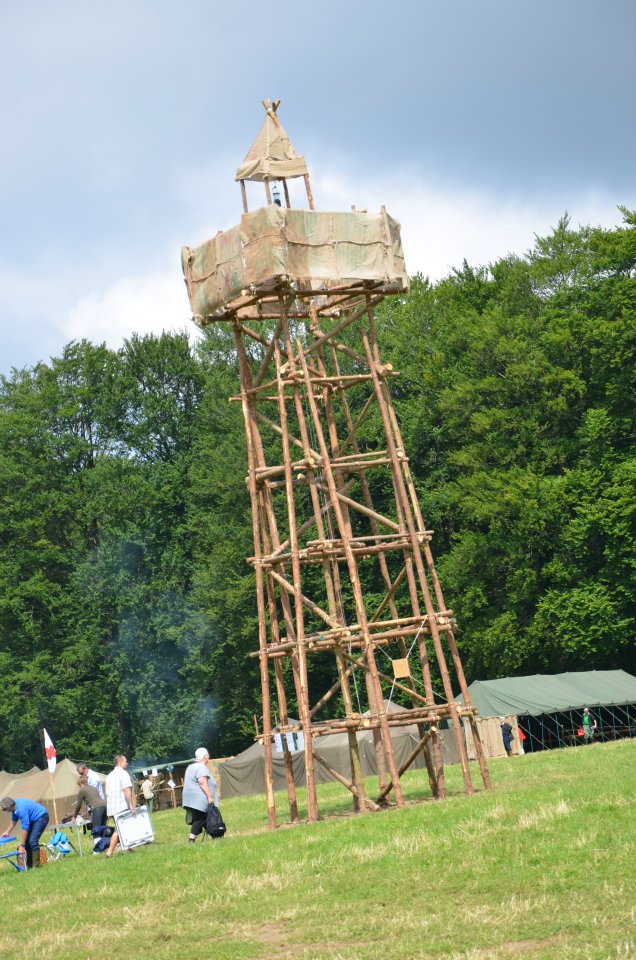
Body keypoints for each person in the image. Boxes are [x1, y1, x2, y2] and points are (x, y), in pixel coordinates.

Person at [0, 797, 49, 869]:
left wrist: (22, 845)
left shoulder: (21, 809)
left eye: (6, 810)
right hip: (33, 820)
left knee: (32, 841)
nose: (6, 811)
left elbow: (25, 828)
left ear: (10, 807)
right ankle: (29, 865)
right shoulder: (15, 808)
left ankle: (36, 866)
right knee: (27, 842)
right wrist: (7, 831)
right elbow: (14, 820)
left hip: (41, 817)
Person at [182, 748, 218, 843]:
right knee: (200, 817)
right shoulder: (201, 767)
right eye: (208, 755)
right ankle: (191, 839)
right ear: (205, 756)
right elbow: (202, 782)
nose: (208, 756)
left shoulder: (191, 766)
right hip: (198, 798)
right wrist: (210, 796)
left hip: (191, 798)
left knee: (205, 816)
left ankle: (215, 835)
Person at [105, 755, 135, 858]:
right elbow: (127, 790)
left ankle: (130, 848)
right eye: (125, 761)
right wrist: (131, 804)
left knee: (124, 827)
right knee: (119, 830)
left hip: (112, 807)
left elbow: (107, 793)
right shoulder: (123, 773)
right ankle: (109, 852)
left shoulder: (109, 776)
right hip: (121, 806)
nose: (127, 763)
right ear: (120, 762)